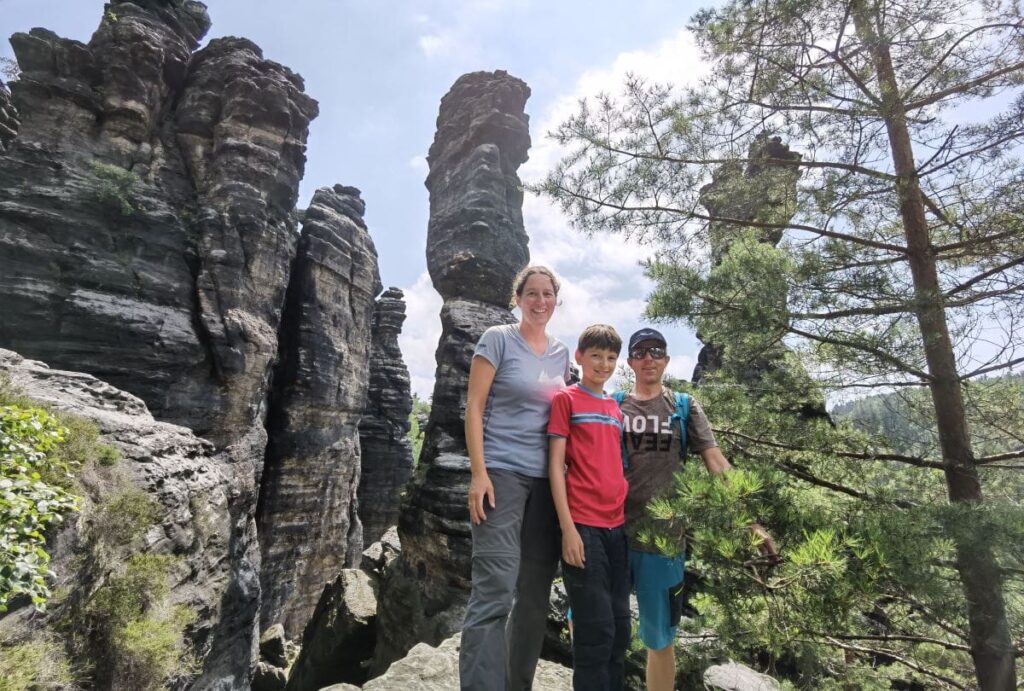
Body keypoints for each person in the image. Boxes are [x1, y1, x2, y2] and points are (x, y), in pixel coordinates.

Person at [620, 327, 777, 691]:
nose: (648, 358)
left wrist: (747, 519)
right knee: (600, 626)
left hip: (664, 543)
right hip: (612, 535)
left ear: (666, 360)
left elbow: (716, 462)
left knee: (659, 639)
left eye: (656, 351)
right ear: (630, 362)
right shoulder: (613, 404)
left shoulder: (684, 406)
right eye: (641, 352)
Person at [459, 265, 572, 691]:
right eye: (532, 293)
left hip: (545, 484)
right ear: (518, 297)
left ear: (555, 301)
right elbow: (474, 407)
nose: (540, 301)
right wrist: (478, 473)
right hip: (501, 476)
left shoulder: (562, 354)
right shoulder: (497, 339)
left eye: (548, 294)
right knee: (495, 591)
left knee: (534, 598)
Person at [548, 324, 630, 691]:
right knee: (595, 632)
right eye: (596, 355)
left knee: (619, 631)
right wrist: (568, 529)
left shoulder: (614, 408)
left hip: (617, 528)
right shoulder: (566, 399)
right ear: (579, 357)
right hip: (582, 526)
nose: (604, 364)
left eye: (611, 357)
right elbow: (555, 465)